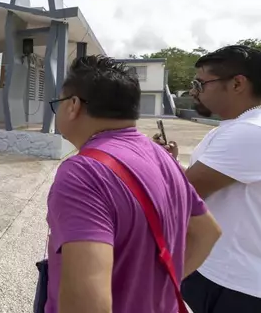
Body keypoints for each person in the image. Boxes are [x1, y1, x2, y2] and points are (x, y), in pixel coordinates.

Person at [45, 55, 221, 313]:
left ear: (73, 105)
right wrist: (153, 287)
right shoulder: (161, 156)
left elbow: (87, 305)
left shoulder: (83, 172)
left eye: (57, 104)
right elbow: (207, 233)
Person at [154, 45, 261, 313]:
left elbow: (180, 195)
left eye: (200, 83)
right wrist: (172, 163)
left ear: (237, 83)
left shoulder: (247, 132)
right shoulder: (238, 127)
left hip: (233, 284)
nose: (192, 92)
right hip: (224, 271)